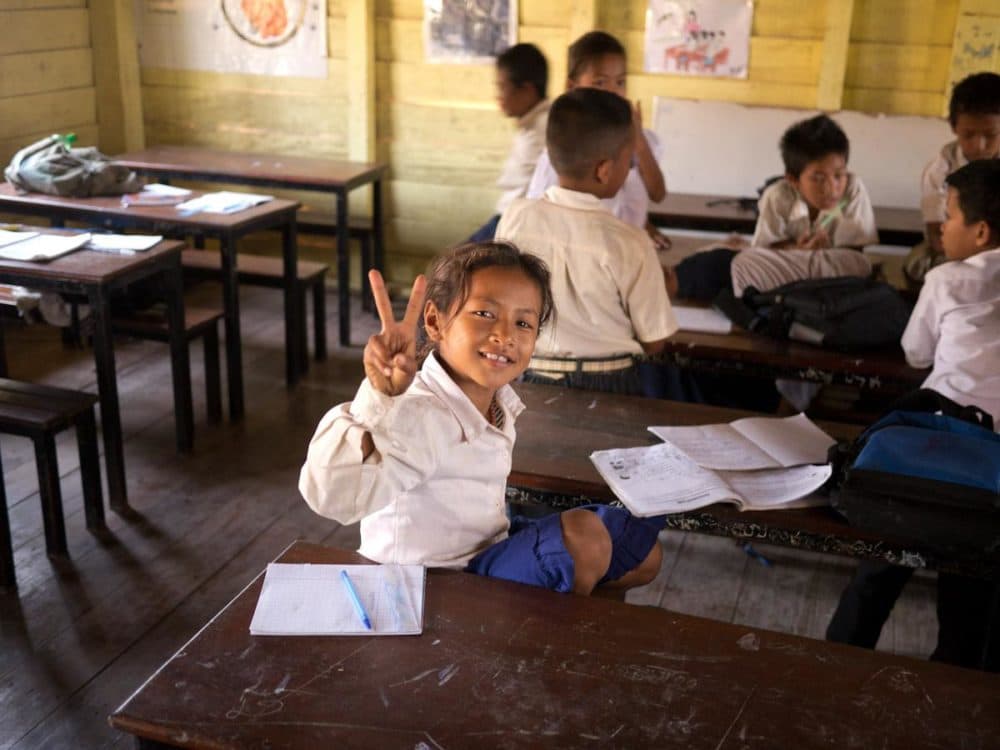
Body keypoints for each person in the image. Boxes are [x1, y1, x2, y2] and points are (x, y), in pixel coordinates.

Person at [299, 241, 665, 596]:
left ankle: (565, 614)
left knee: (641, 554)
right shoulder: (417, 411)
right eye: (485, 314)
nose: (505, 335)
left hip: (487, 548)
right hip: (430, 587)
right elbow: (333, 497)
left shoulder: (498, 403)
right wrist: (378, 400)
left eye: (523, 323)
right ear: (434, 321)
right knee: (585, 540)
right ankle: (549, 639)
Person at [827, 159, 1000, 671]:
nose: (942, 227)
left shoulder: (948, 281)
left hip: (935, 450)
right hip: (990, 476)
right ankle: (952, 677)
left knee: (879, 567)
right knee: (969, 584)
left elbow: (915, 354)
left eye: (949, 216)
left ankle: (837, 660)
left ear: (981, 230)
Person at [496, 87, 679, 397]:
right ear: (605, 170)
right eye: (628, 160)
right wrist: (665, 292)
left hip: (528, 376)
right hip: (611, 382)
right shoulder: (630, 242)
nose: (629, 168)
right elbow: (655, 342)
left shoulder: (516, 217)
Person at [668, 114, 877, 302]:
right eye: (818, 178)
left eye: (839, 175)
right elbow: (764, 251)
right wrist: (799, 250)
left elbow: (854, 256)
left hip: (831, 280)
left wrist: (819, 254)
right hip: (787, 279)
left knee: (854, 265)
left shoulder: (853, 188)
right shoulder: (777, 197)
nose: (832, 188)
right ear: (793, 180)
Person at [525, 30, 671, 251]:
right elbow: (539, 210)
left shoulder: (642, 140)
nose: (613, 92)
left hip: (628, 249)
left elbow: (657, 194)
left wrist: (638, 140)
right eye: (600, 82)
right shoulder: (566, 144)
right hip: (583, 252)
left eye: (620, 82)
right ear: (572, 87)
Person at [905, 71, 1000, 283]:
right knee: (920, 266)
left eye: (990, 135)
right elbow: (937, 237)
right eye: (968, 135)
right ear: (953, 126)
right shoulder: (939, 171)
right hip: (956, 253)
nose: (979, 146)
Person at [468, 43, 551, 242]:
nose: (499, 96)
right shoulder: (531, 123)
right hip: (509, 216)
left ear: (527, 90)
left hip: (517, 223)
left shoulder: (541, 130)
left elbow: (532, 196)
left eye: (503, 87)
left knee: (449, 266)